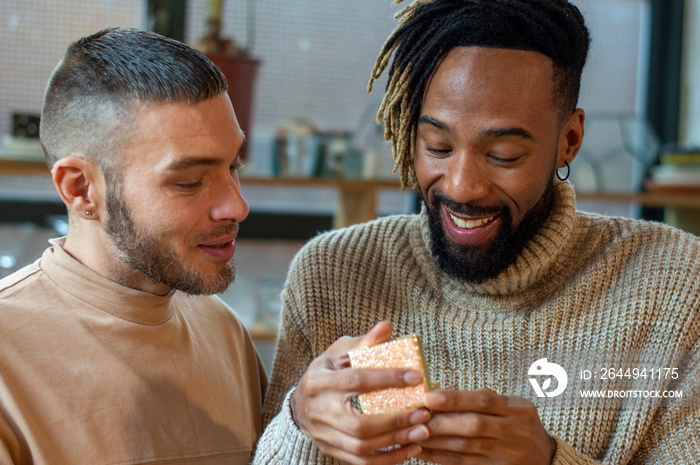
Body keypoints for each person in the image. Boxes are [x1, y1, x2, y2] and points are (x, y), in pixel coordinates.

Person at [253, 0, 700, 464]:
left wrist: (549, 461)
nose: (462, 186)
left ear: (569, 141)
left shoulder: (675, 285)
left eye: (503, 154)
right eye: (438, 145)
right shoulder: (333, 275)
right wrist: (301, 420)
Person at [0, 28, 267, 464]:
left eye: (234, 166)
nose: (237, 205)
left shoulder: (223, 331)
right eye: (188, 181)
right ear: (82, 188)